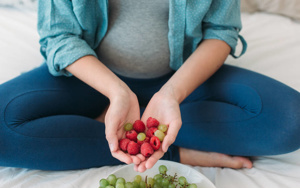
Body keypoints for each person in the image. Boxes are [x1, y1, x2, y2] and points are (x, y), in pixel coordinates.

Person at [0, 0, 299, 172]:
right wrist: (117, 92)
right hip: (92, 78)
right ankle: (176, 151)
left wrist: (172, 93)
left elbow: (221, 32)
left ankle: (138, 129)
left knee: (290, 121)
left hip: (183, 76)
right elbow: (58, 37)